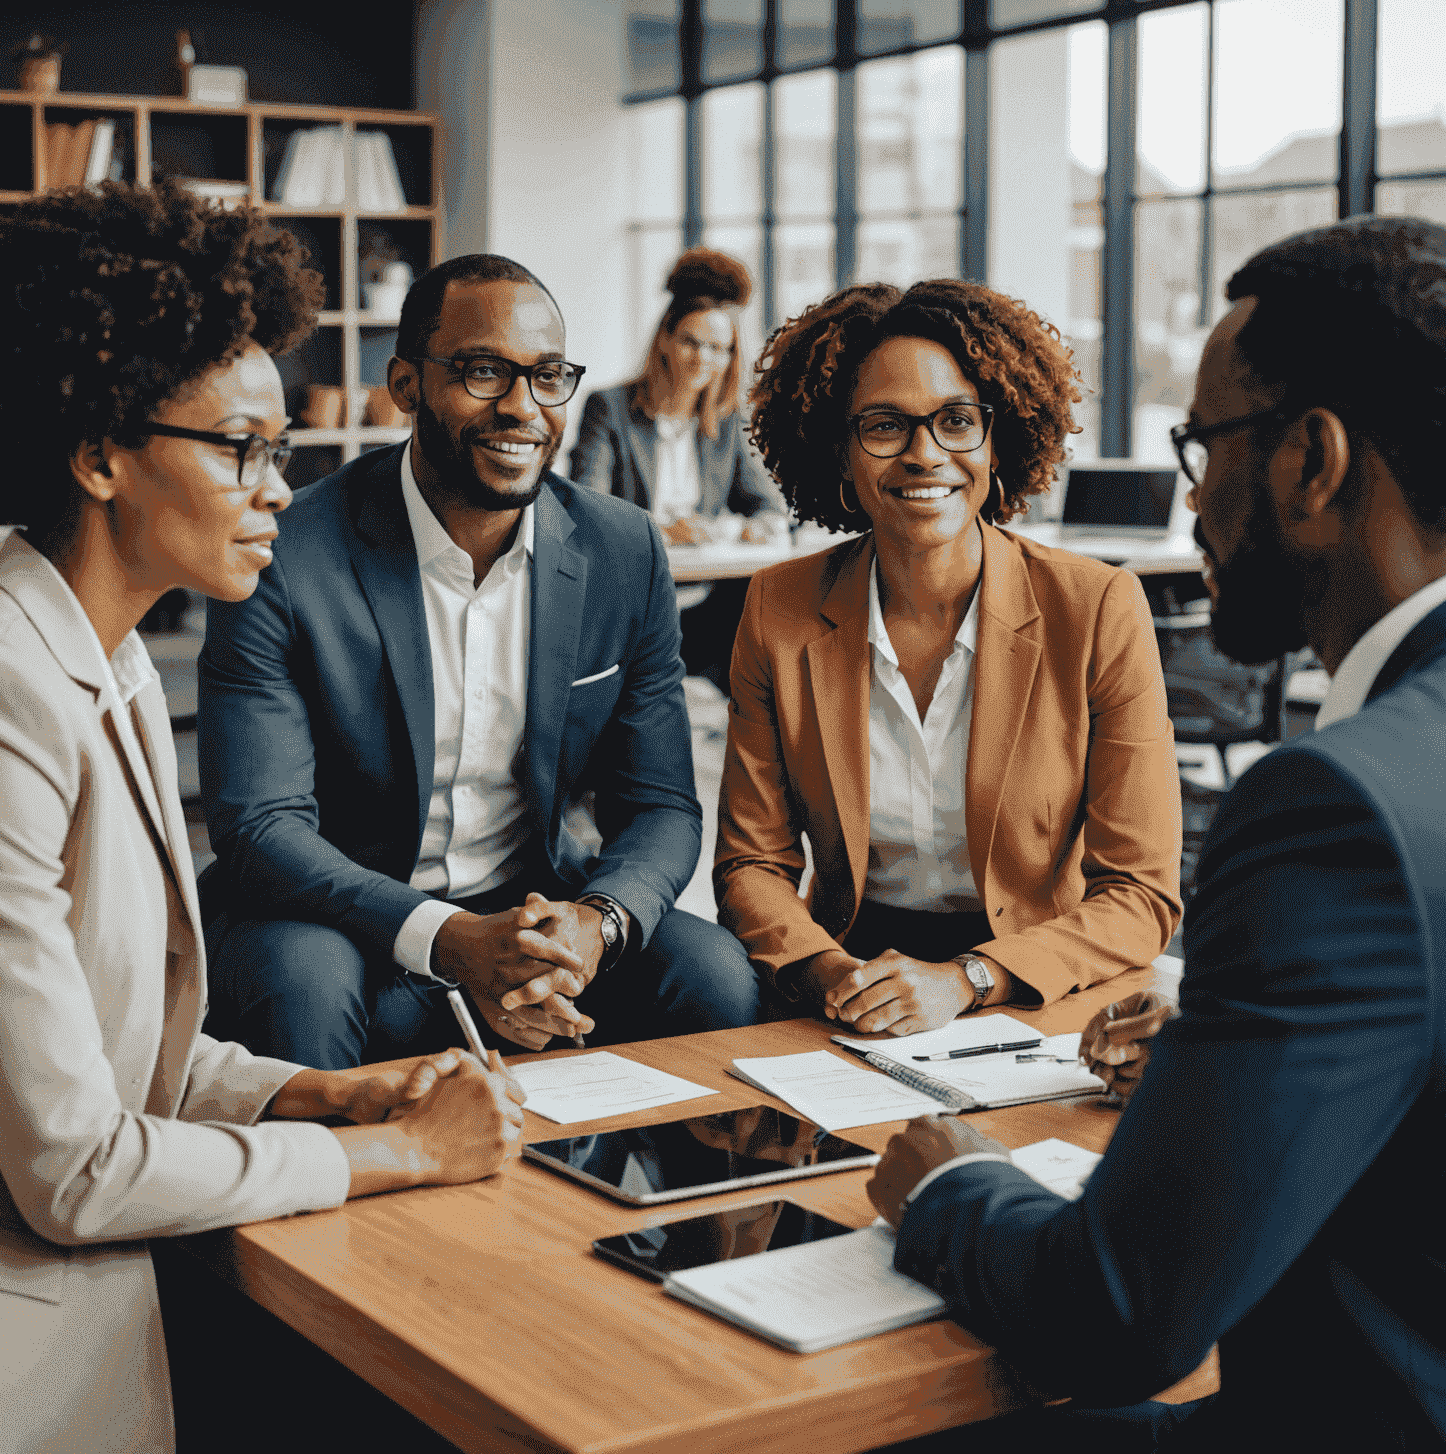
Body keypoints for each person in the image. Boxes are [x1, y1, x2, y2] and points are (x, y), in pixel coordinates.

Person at [0, 183, 525, 1454]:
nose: (277, 490)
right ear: (98, 455)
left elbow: (128, 1047)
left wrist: (328, 1095)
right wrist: (401, 1157)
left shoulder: (111, 663)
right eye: (240, 448)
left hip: (83, 1301)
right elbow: (74, 1164)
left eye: (281, 451)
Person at [869, 215, 1446, 1450]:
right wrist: (1225, 1015)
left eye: (1205, 447)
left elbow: (1115, 1315)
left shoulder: (1333, 808)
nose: (1194, 500)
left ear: (1311, 462)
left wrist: (950, 1186)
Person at [197, 252, 760, 1071]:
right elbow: (259, 826)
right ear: (406, 384)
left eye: (547, 376)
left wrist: (593, 924)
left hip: (535, 903)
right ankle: (343, 1195)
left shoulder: (621, 549)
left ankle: (658, 1201)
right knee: (304, 985)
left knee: (715, 976)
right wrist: (451, 941)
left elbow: (664, 806)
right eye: (484, 372)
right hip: (341, 916)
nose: (522, 409)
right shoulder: (288, 555)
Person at [714, 278, 1181, 1034]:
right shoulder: (779, 608)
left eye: (957, 421)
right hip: (850, 979)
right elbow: (751, 866)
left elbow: (1140, 892)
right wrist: (838, 976)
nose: (924, 455)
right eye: (885, 426)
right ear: (840, 448)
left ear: (999, 442)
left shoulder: (1096, 609)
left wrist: (969, 979)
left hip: (1037, 974)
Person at [570, 248, 787, 692]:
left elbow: (770, 508)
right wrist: (666, 532)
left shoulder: (727, 423)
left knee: (769, 617)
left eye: (718, 348)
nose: (702, 358)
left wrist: (745, 528)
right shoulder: (609, 409)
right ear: (665, 338)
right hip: (635, 596)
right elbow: (586, 510)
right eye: (691, 341)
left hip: (708, 597)